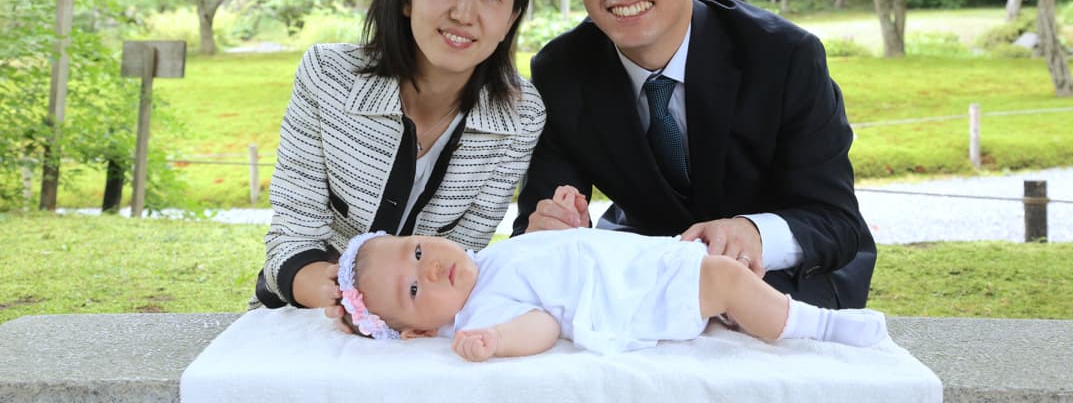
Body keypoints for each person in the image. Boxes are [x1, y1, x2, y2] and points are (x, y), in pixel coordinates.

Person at [512, 0, 876, 309]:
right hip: (653, 279)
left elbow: (834, 221)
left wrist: (753, 233)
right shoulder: (561, 71)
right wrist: (550, 227)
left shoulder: (784, 57)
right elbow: (538, 224)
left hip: (785, 276)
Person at [254, 0, 546, 329]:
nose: (465, 13)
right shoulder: (328, 75)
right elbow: (293, 237)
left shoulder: (520, 113)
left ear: (510, 20)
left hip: (427, 328)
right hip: (309, 317)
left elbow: (462, 256)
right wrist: (344, 299)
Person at [333, 203, 888, 361]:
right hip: (628, 296)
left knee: (719, 276)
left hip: (634, 263)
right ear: (414, 332)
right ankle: (824, 327)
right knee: (721, 277)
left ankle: (753, 311)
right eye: (413, 290)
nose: (431, 267)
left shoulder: (485, 260)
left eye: (419, 249)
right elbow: (543, 324)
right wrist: (497, 343)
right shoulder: (478, 314)